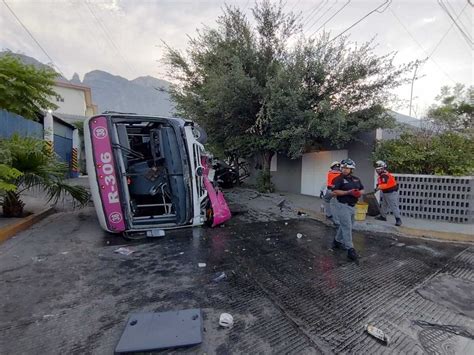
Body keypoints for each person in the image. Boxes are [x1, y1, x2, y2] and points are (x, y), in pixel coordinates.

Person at [332, 158, 364, 261]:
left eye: (347, 168)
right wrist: (348, 192)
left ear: (351, 169)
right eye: (343, 168)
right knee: (347, 227)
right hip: (342, 205)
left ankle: (337, 241)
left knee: (346, 225)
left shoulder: (356, 179)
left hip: (352, 206)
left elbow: (362, 189)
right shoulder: (338, 179)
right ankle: (350, 249)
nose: (345, 170)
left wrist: (359, 193)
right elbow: (335, 191)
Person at [374, 160, 402, 226]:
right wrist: (377, 187)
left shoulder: (384, 175)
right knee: (384, 204)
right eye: (377, 169)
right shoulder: (383, 175)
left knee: (393, 205)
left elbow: (384, 185)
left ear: (382, 168)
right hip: (386, 192)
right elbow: (381, 183)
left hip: (392, 192)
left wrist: (376, 189)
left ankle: (398, 219)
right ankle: (383, 216)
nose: (377, 171)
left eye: (378, 169)